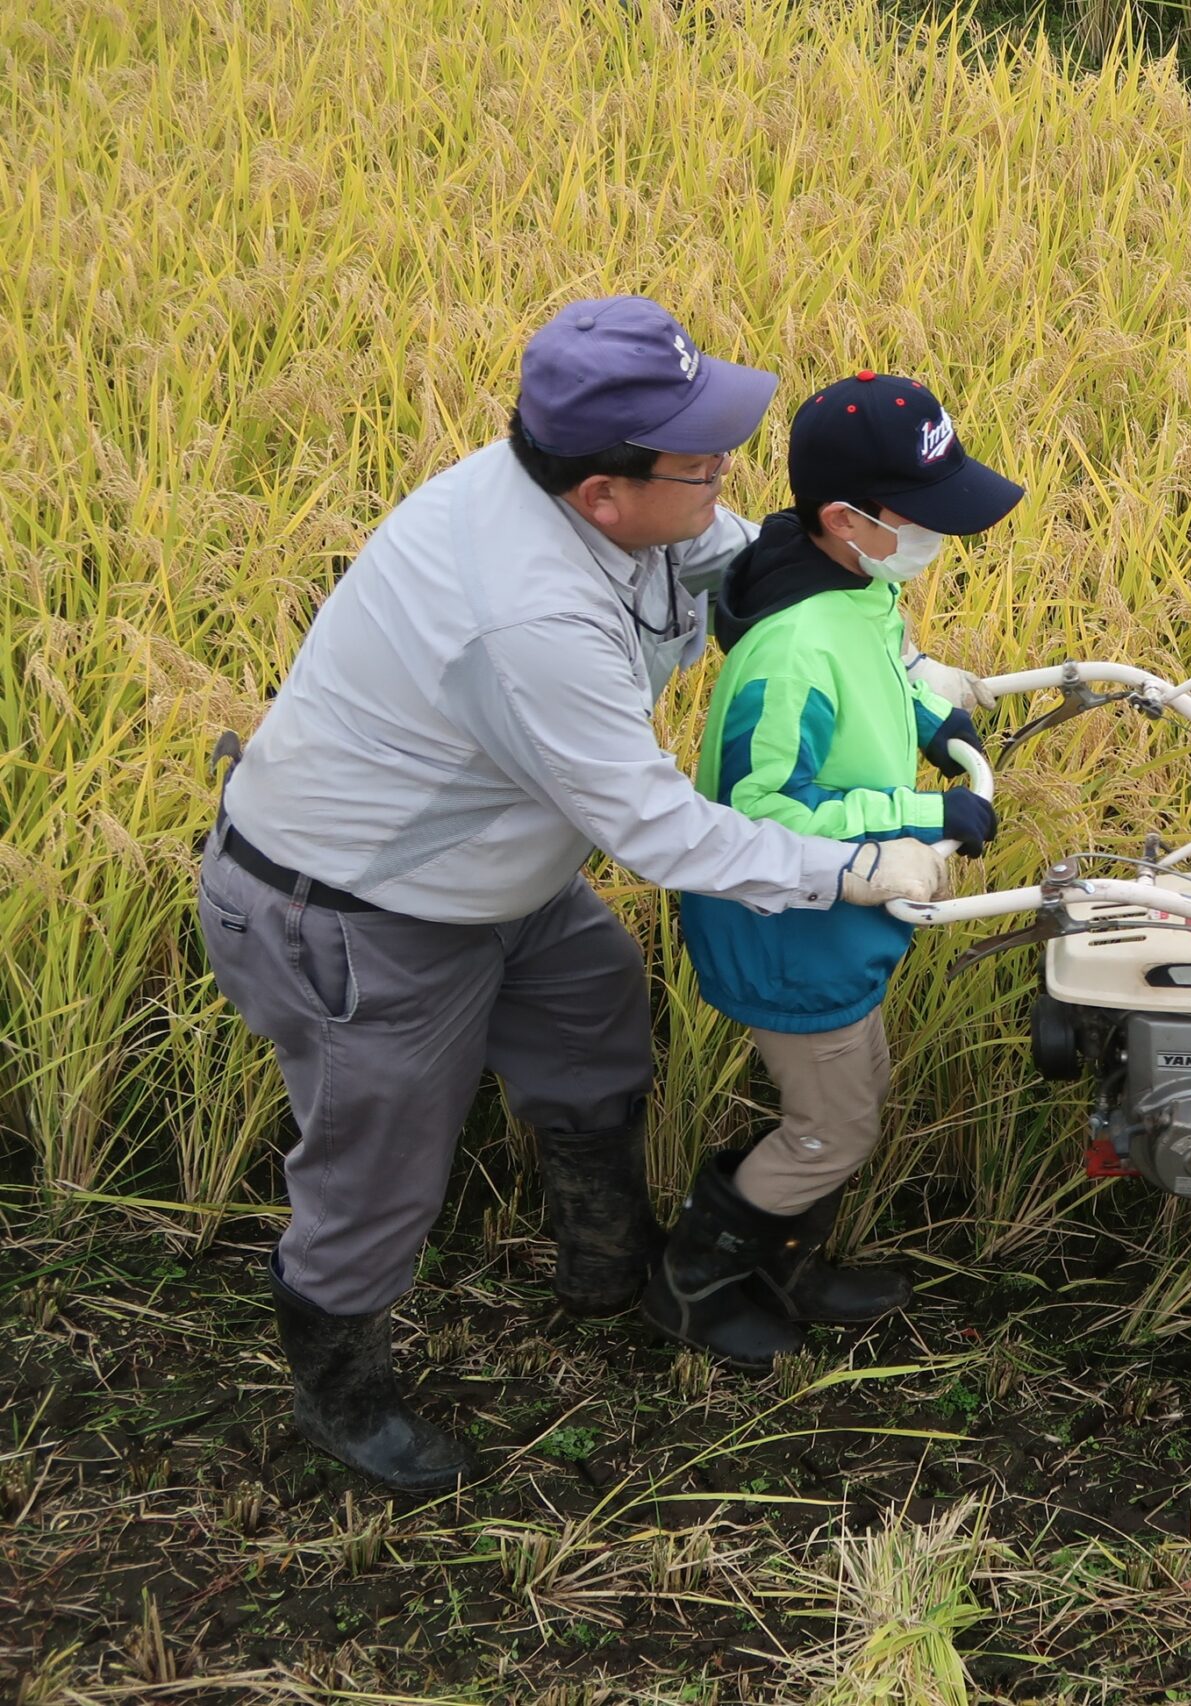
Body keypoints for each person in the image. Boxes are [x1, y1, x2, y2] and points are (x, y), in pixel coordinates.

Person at [197, 299, 953, 1492]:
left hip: (499, 879)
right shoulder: (525, 612)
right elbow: (652, 824)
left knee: (596, 1018)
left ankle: (606, 1265)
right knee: (375, 1172)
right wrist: (849, 865)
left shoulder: (609, 505)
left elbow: (729, 563)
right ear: (604, 491)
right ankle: (342, 1393)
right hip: (354, 914)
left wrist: (869, 628)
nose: (724, 474)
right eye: (701, 460)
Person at [643, 371, 1020, 1367]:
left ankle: (784, 1260)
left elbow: (886, 671)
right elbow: (760, 809)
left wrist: (932, 716)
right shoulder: (789, 651)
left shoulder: (857, 584)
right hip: (785, 927)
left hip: (833, 917)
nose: (943, 535)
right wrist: (923, 808)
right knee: (831, 1129)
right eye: (925, 516)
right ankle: (699, 1279)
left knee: (849, 1102)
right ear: (848, 518)